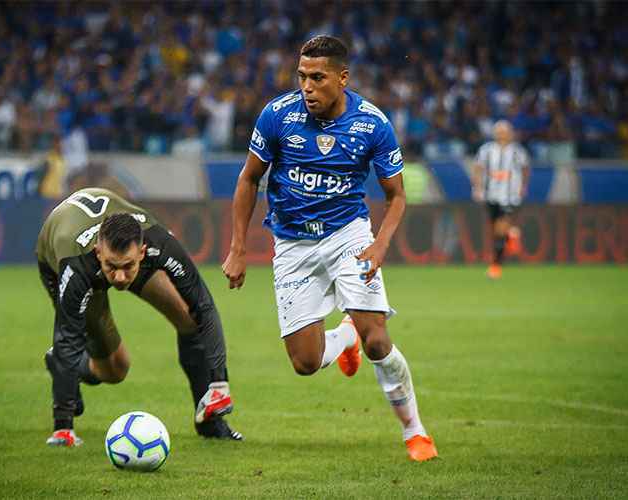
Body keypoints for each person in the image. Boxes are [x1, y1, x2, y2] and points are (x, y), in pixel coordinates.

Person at [222, 35, 437, 462]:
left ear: (342, 78)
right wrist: (238, 248)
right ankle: (345, 336)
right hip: (292, 243)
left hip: (348, 237)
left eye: (317, 78)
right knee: (305, 362)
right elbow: (249, 179)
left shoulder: (372, 124)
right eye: (301, 76)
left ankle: (415, 432)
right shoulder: (277, 116)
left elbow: (396, 196)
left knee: (378, 341)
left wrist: (379, 245)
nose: (307, 86)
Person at [36, 187, 242, 446]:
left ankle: (210, 422)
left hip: (111, 242)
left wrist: (220, 384)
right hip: (58, 255)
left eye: (128, 267)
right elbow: (68, 337)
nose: (120, 278)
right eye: (112, 267)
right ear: (100, 253)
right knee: (115, 369)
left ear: (142, 253)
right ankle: (62, 365)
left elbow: (203, 305)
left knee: (188, 318)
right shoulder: (77, 267)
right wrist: (63, 427)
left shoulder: (160, 243)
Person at [472, 120, 530, 279]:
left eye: (505, 132)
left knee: (500, 228)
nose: (502, 135)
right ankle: (511, 235)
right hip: (490, 194)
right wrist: (477, 188)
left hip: (510, 195)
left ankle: (496, 266)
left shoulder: (518, 152)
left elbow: (525, 169)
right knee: (495, 230)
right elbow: (478, 168)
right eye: (499, 132)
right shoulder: (486, 150)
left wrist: (523, 186)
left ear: (510, 134)